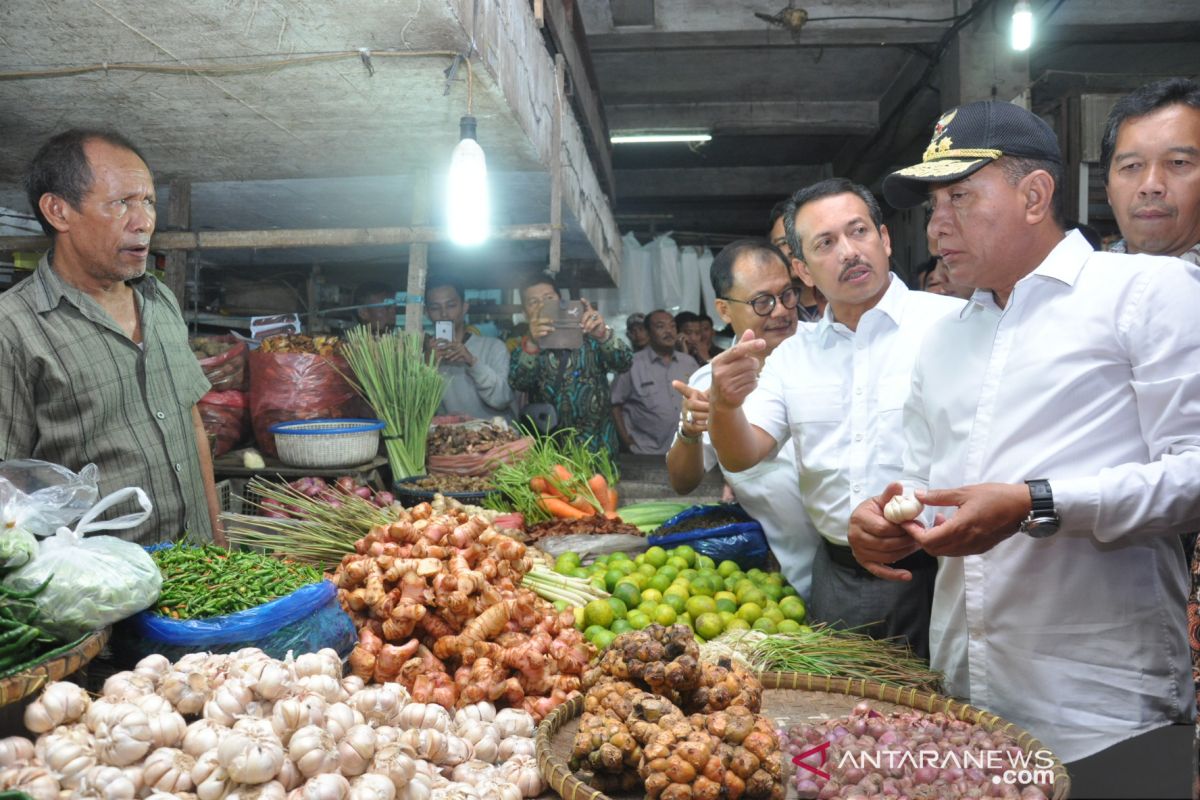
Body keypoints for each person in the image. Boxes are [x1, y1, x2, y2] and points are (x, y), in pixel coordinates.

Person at [849, 99, 1199, 767]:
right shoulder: (945, 339)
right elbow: (921, 484)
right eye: (932, 208)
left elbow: (1192, 475)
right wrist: (883, 521)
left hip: (1105, 711)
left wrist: (1035, 503)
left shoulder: (1146, 293)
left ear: (1035, 195)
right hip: (970, 706)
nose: (938, 227)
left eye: (960, 198)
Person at [707, 178, 963, 656]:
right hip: (839, 575)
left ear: (884, 239)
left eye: (859, 231)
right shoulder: (792, 356)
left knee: (945, 719)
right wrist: (724, 405)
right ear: (802, 269)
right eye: (826, 243)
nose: (849, 251)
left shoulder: (953, 325)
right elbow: (743, 454)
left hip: (944, 571)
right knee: (840, 720)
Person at [0, 129, 222, 545]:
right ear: (58, 211)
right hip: (103, 595)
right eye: (122, 204)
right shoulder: (13, 327)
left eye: (148, 202)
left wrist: (220, 541)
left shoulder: (162, 301)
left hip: (199, 575)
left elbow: (191, 425)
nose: (144, 223)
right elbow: (5, 488)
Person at [666, 239, 819, 599]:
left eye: (788, 295)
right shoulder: (708, 383)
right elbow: (682, 481)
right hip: (786, 584)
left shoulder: (830, 350)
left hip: (860, 563)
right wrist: (690, 431)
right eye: (762, 302)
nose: (781, 311)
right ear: (723, 309)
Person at [508, 272, 632, 456]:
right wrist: (533, 343)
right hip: (549, 456)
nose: (542, 306)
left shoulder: (590, 339)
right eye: (533, 302)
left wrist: (603, 335)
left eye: (549, 298)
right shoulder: (526, 348)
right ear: (525, 313)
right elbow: (518, 382)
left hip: (597, 452)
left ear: (561, 301)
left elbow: (625, 363)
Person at [1101, 77, 1200, 264]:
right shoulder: (1087, 286)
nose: (1151, 185)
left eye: (1178, 162)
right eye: (1131, 166)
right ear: (1108, 190)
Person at [424, 276, 513, 422]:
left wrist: (472, 362)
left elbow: (501, 400)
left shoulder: (493, 347)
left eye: (451, 305)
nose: (444, 313)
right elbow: (418, 411)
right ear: (426, 313)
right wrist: (428, 368)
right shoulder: (424, 355)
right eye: (435, 308)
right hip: (449, 440)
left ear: (464, 307)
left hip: (495, 439)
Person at [611, 310, 698, 455]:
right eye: (660, 326)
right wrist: (627, 441)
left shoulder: (689, 363)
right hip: (645, 452)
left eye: (672, 326)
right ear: (648, 332)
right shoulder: (632, 364)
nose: (668, 331)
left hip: (685, 451)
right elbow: (614, 404)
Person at [769, 198, 825, 321]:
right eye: (783, 242)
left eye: (798, 240)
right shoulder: (771, 311)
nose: (791, 250)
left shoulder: (844, 295)